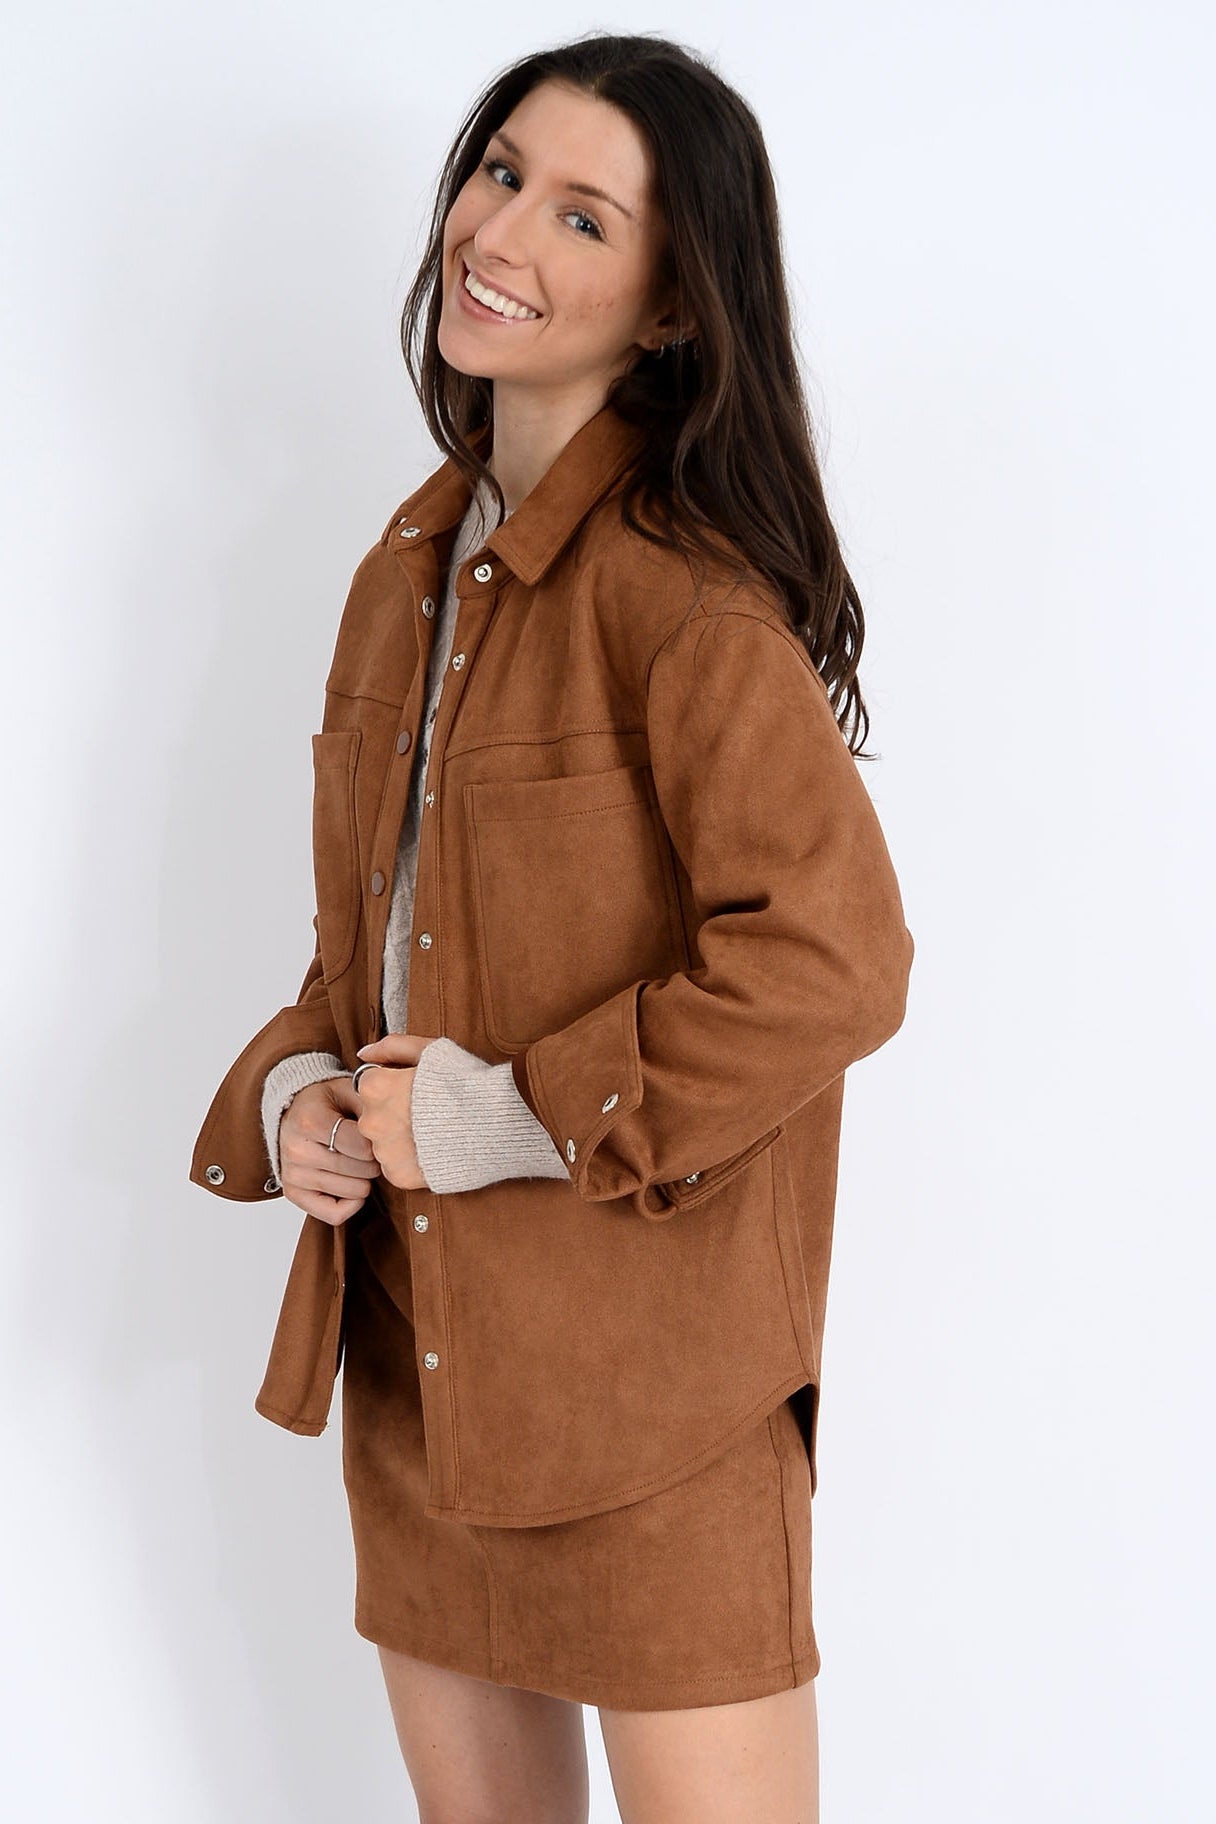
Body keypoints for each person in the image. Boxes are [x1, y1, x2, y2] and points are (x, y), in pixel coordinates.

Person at [190, 31, 915, 1823]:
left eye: (583, 215)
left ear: (672, 306)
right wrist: (293, 1093)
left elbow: (834, 959)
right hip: (427, 1377)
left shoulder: (685, 601)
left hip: (654, 1408)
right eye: (503, 171)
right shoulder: (399, 579)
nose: (500, 230)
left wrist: (507, 1110)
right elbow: (369, 961)